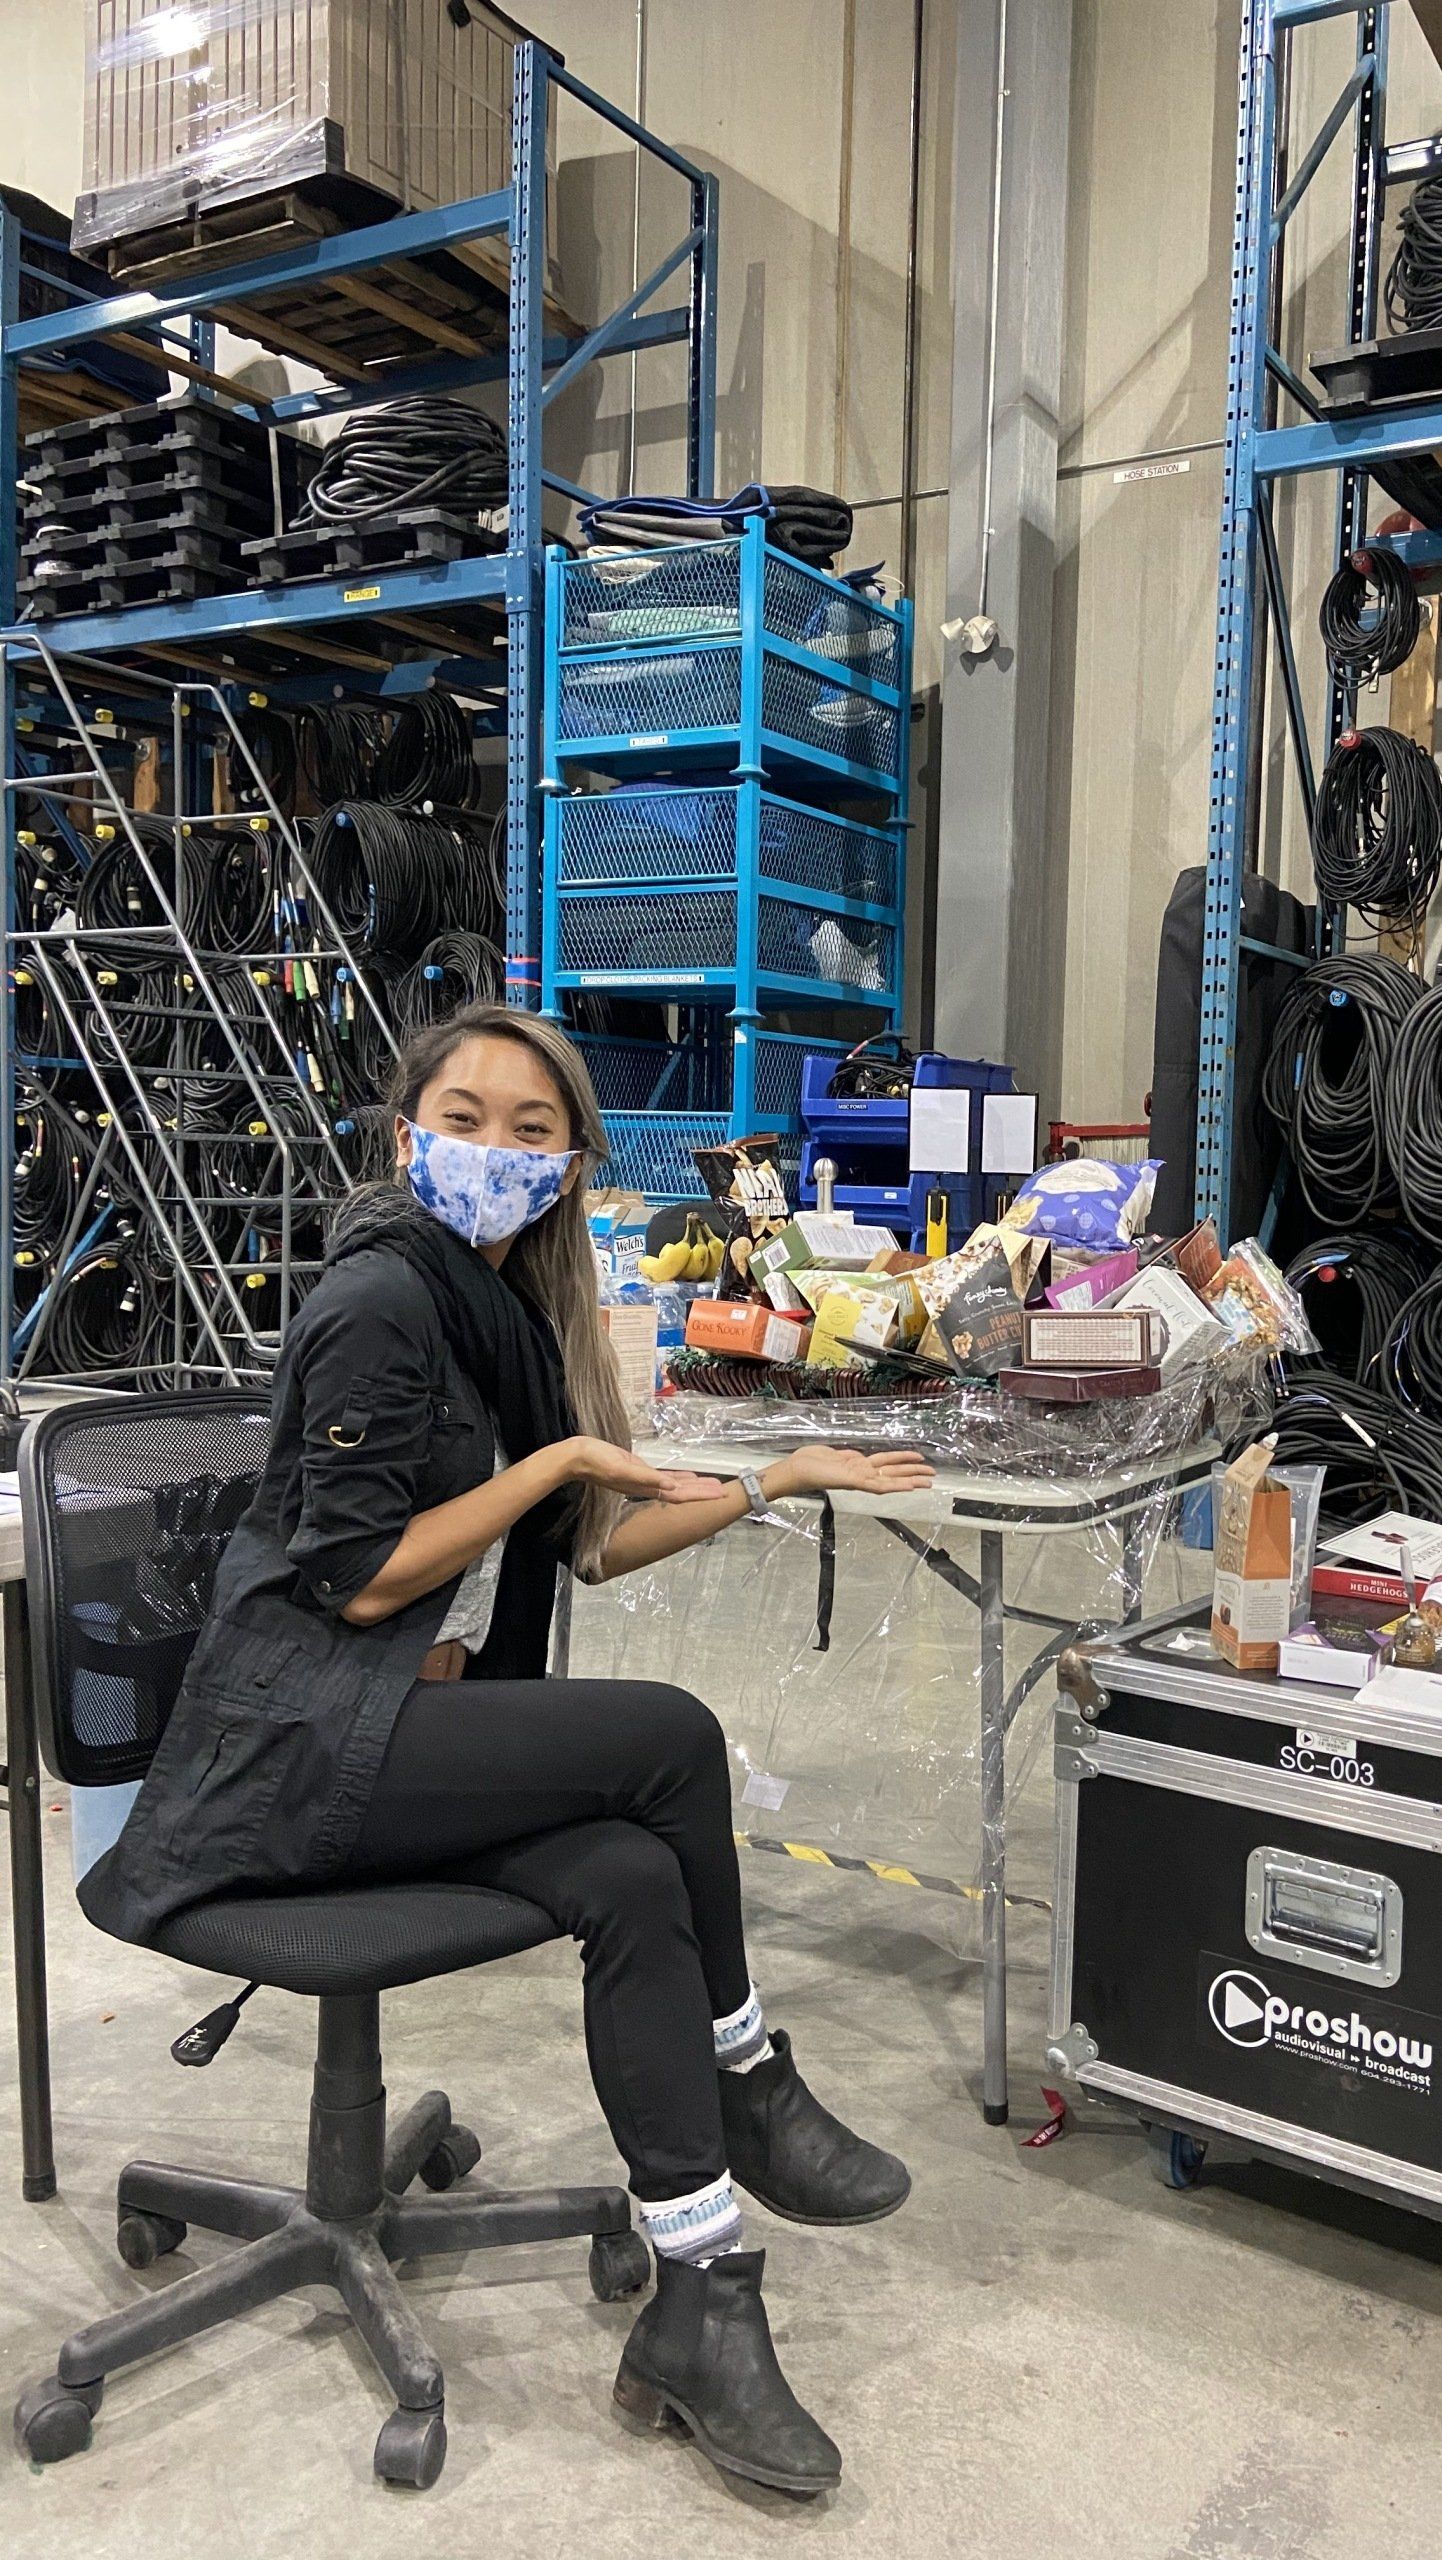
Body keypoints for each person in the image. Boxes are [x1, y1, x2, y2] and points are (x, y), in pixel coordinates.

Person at [80, 1002, 936, 2499]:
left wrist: (775, 1475)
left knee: (625, 1871)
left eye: (530, 1131)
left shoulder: (501, 1319)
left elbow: (587, 1553)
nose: (491, 1148)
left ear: (570, 1165)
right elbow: (357, 1579)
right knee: (670, 1738)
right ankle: (746, 2080)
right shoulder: (380, 1304)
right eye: (460, 1118)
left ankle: (700, 2294)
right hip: (296, 1753)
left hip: (402, 1739)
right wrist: (561, 1460)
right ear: (405, 1132)